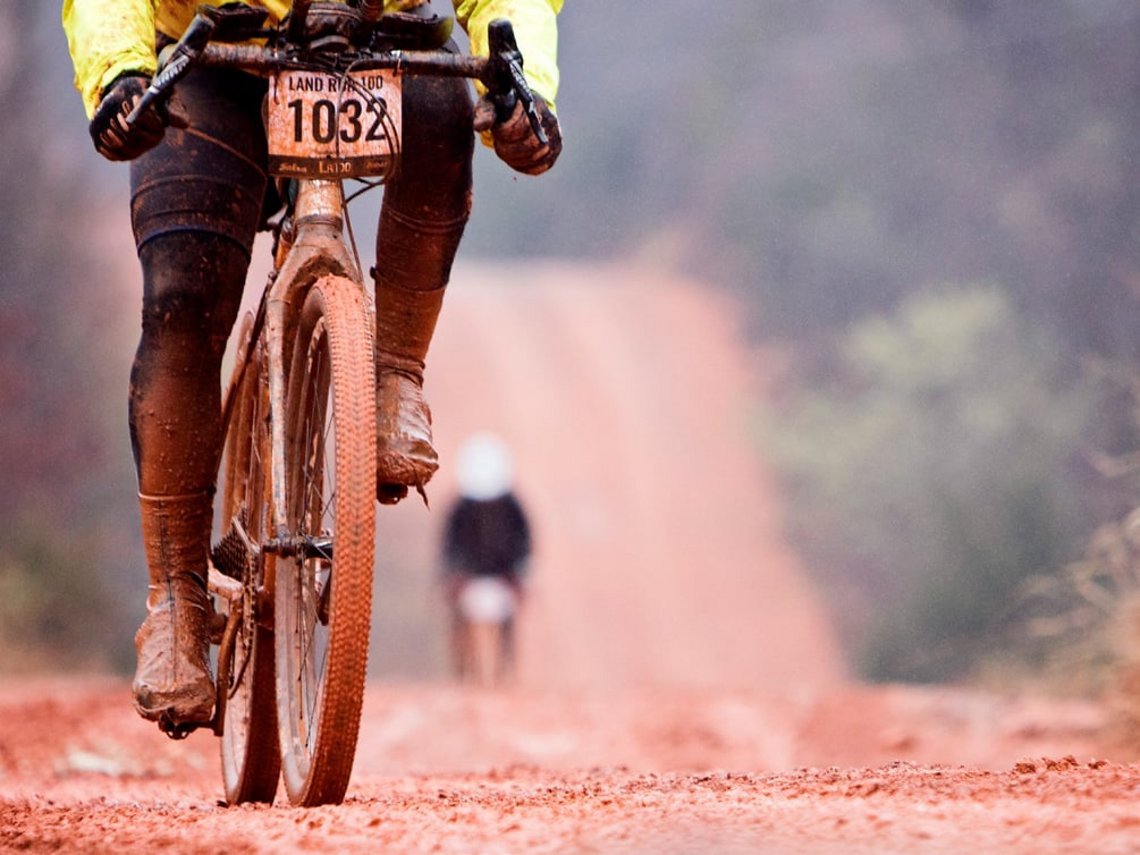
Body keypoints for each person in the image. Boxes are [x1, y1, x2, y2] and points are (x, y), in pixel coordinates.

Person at [61, 0, 562, 734]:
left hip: (387, 50)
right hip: (210, 59)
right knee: (182, 300)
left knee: (444, 111)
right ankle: (176, 600)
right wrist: (120, 77)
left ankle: (393, 378)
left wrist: (525, 84)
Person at [441, 433, 532, 682]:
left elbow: (524, 545)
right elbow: (450, 547)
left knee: (506, 625)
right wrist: (454, 576)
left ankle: (503, 672)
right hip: (469, 579)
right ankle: (465, 673)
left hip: (502, 578)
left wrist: (518, 575)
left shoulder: (513, 508)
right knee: (460, 623)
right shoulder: (460, 509)